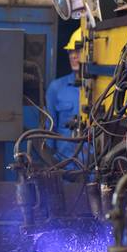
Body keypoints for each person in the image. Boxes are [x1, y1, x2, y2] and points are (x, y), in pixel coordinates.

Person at [45, 27, 82, 161]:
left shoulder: (102, 89)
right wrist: (50, 164)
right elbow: (49, 130)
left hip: (94, 169)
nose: (73, 55)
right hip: (64, 166)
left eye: (78, 50)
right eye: (70, 51)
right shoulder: (57, 88)